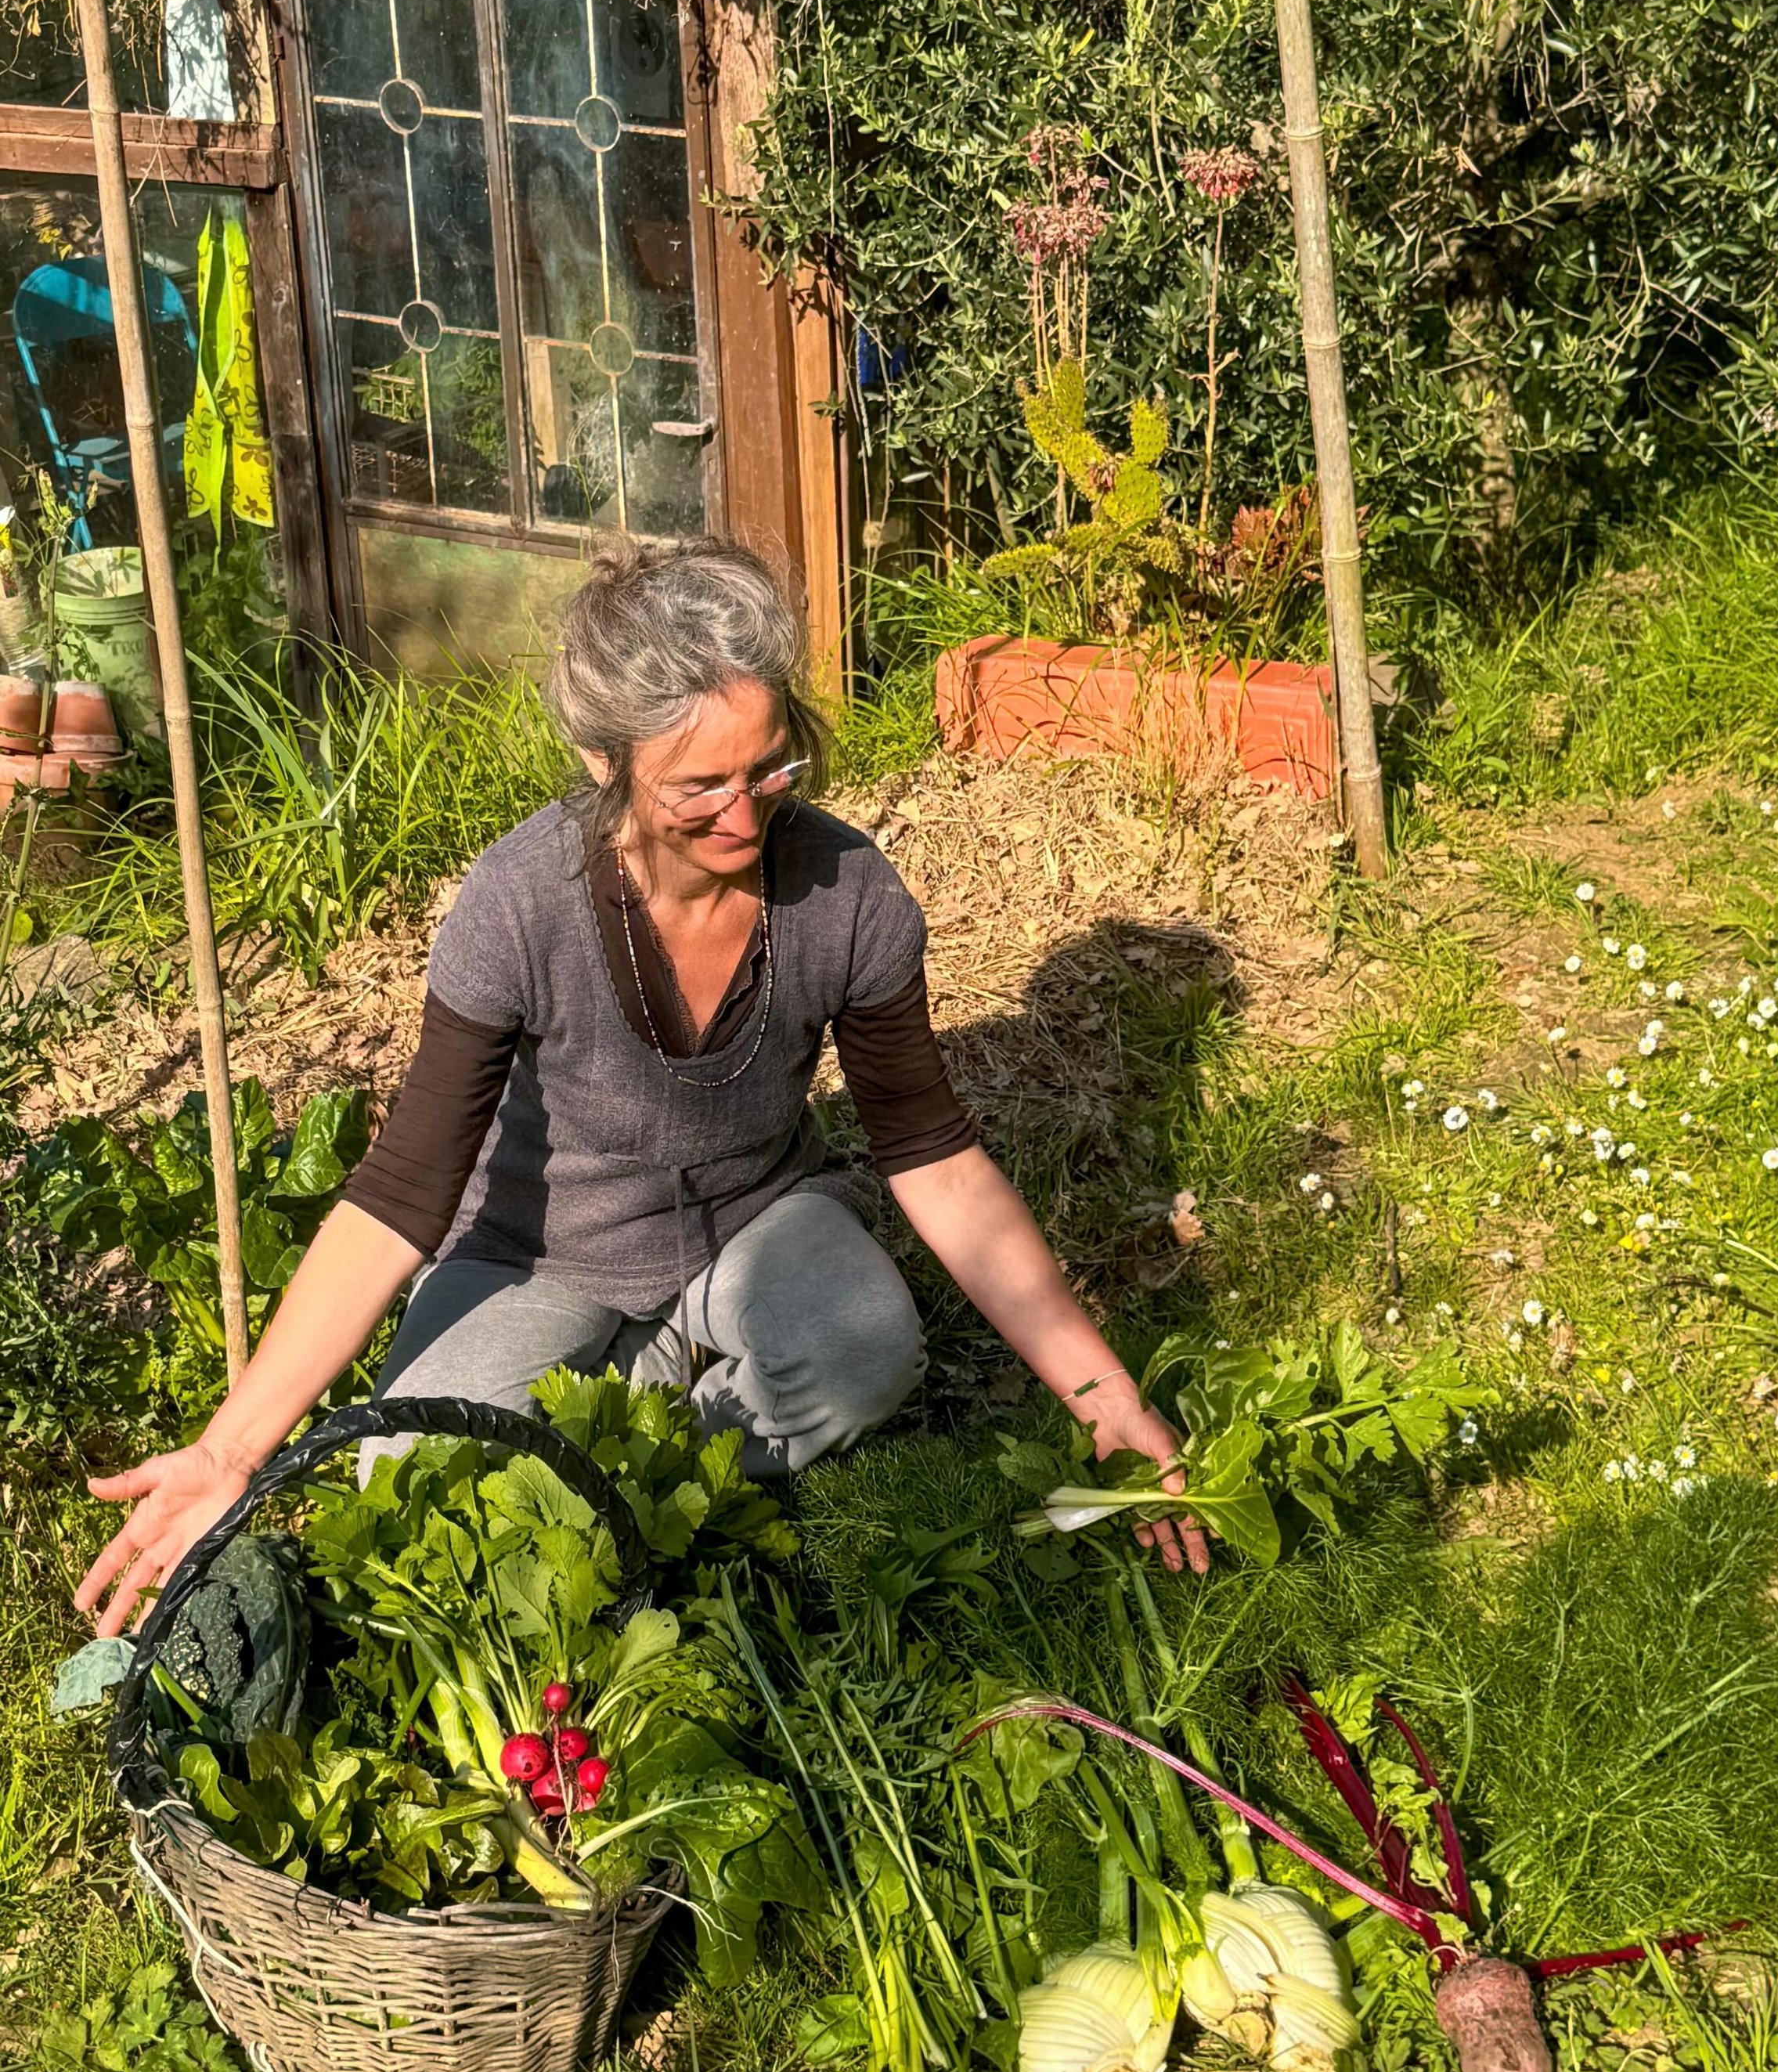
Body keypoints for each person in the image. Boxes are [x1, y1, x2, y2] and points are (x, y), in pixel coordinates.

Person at [77, 536, 1206, 1636]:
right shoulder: (518, 907)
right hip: (538, 1253)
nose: (745, 812)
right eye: (699, 785)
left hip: (759, 1222)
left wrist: (1104, 1394)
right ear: (603, 761)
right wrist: (231, 1452)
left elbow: (935, 1158)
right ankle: (640, 1405)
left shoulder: (850, 897)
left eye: (771, 767)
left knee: (864, 1346)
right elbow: (402, 1189)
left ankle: (634, 1453)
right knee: (408, 1475)